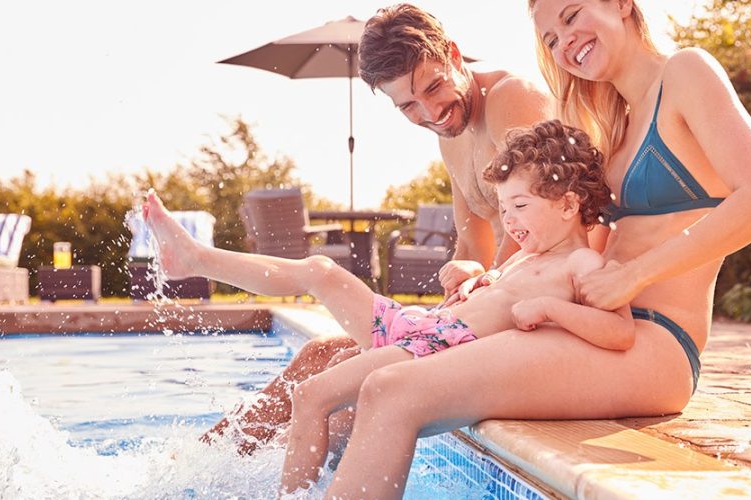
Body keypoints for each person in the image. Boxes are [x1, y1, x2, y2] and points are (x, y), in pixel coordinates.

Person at [323, 1, 751, 497]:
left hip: (654, 342)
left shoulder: (686, 73)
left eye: (571, 16)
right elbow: (567, 242)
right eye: (549, 38)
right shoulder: (611, 118)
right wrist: (492, 283)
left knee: (393, 391)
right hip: (586, 326)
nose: (564, 41)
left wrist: (631, 277)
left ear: (621, 4)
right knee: (371, 378)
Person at [202, 3, 556, 451]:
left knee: (357, 394)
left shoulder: (512, 98)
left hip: (537, 315)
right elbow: (473, 239)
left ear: (453, 54)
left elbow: (538, 230)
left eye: (434, 86)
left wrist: (460, 308)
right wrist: (462, 279)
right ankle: (201, 463)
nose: (431, 112)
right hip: (496, 305)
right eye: (408, 105)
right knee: (322, 354)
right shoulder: (452, 134)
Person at [276, 120, 630, 493]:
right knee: (312, 392)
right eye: (504, 208)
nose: (509, 221)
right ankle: (298, 491)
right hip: (428, 334)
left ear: (569, 205)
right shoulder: (523, 259)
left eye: (520, 205)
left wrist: (550, 309)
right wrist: (475, 277)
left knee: (317, 394)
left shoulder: (583, 263)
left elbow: (619, 332)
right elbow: (491, 295)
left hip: (436, 352)